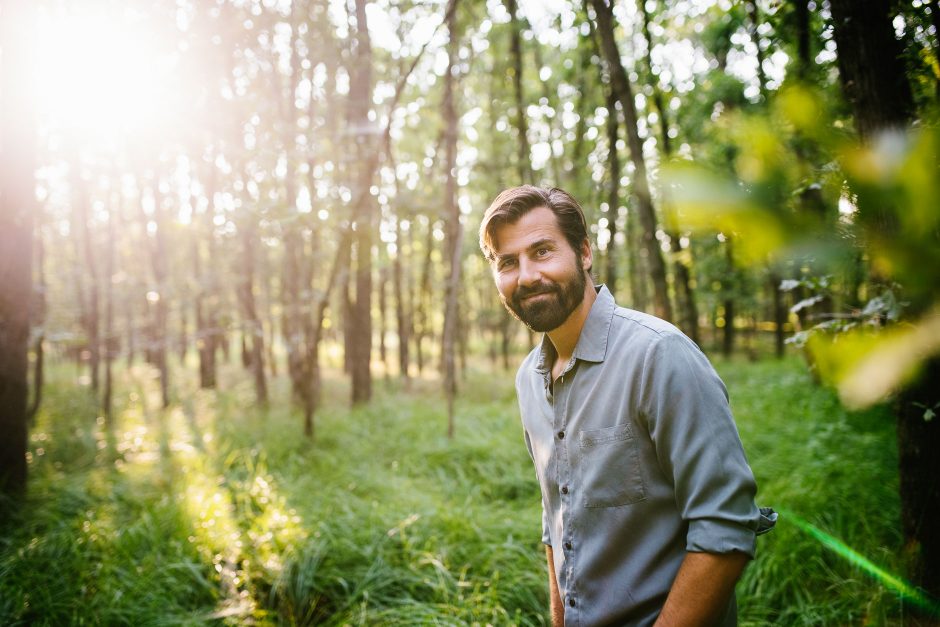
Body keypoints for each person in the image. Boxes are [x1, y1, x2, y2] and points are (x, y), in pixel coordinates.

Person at [478, 185, 763, 626]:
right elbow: (556, 520)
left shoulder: (659, 354)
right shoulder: (528, 379)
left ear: (584, 253)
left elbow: (727, 526)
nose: (528, 275)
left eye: (543, 251)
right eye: (508, 262)